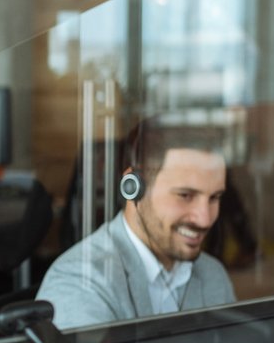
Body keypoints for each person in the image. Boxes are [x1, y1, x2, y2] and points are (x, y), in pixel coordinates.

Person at [37, 121, 235, 329]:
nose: (204, 219)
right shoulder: (80, 281)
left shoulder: (212, 275)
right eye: (185, 195)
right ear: (133, 187)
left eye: (214, 197)